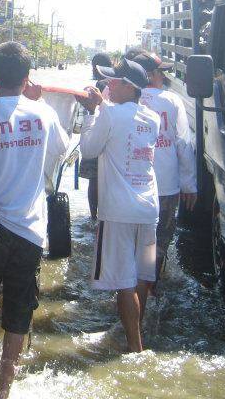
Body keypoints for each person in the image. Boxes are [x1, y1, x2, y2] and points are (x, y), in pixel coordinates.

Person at [0, 42, 70, 399]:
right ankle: (4, 389)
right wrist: (38, 101)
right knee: (19, 312)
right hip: (29, 231)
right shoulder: (44, 114)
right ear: (27, 77)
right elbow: (61, 151)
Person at [78, 58, 160, 353]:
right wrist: (102, 108)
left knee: (124, 283)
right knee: (144, 276)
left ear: (129, 87)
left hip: (118, 213)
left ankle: (135, 349)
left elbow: (88, 149)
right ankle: (140, 330)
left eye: (114, 81)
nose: (108, 85)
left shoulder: (109, 114)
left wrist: (92, 112)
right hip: (149, 211)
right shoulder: (153, 117)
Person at [132, 51, 196, 286]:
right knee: (159, 242)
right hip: (166, 185)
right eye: (162, 72)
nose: (165, 77)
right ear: (151, 74)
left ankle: (131, 288)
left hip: (133, 185)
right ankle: (152, 287)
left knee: (133, 242)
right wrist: (189, 185)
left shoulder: (125, 102)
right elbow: (183, 144)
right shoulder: (171, 101)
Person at [80, 51, 115, 221]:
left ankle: (94, 217)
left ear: (96, 67)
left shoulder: (100, 84)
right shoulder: (116, 82)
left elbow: (94, 107)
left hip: (97, 132)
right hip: (112, 136)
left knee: (94, 181)